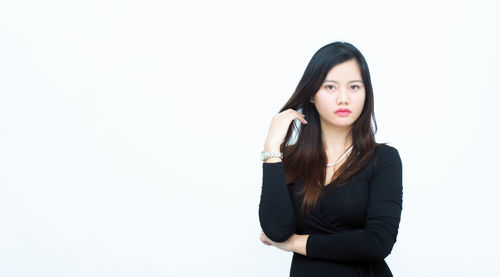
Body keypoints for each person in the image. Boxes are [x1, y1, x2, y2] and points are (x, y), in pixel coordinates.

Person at [258, 41, 403, 277]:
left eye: (354, 87)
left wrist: (295, 244)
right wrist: (272, 147)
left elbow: (378, 241)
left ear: (366, 93)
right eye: (330, 87)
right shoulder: (291, 160)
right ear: (312, 94)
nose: (344, 98)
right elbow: (276, 230)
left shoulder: (383, 159)